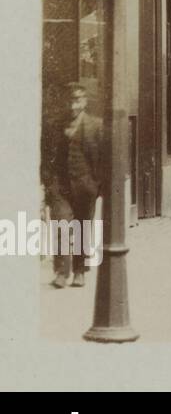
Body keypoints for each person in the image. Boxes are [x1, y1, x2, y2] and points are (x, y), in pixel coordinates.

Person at [45, 84, 105, 289]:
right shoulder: (55, 126)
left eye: (78, 100)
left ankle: (80, 272)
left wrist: (96, 186)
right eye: (70, 100)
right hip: (61, 186)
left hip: (84, 186)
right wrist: (49, 183)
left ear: (85, 101)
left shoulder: (96, 125)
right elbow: (46, 156)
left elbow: (102, 160)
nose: (73, 105)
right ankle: (62, 272)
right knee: (61, 225)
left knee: (82, 228)